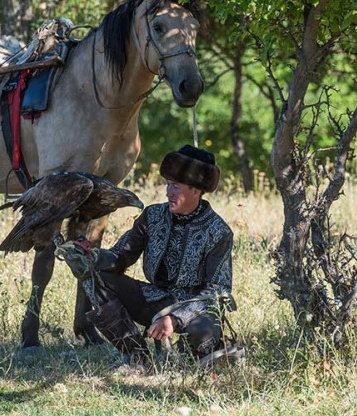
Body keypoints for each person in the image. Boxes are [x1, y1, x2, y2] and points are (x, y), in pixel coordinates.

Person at [61, 145, 237, 366]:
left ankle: (195, 358)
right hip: (156, 297)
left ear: (196, 190)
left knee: (203, 333)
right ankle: (136, 357)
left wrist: (174, 319)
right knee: (98, 278)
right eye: (167, 184)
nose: (167, 192)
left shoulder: (218, 232)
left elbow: (218, 291)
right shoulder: (152, 216)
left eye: (175, 186)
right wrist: (92, 256)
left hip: (196, 307)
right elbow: (120, 257)